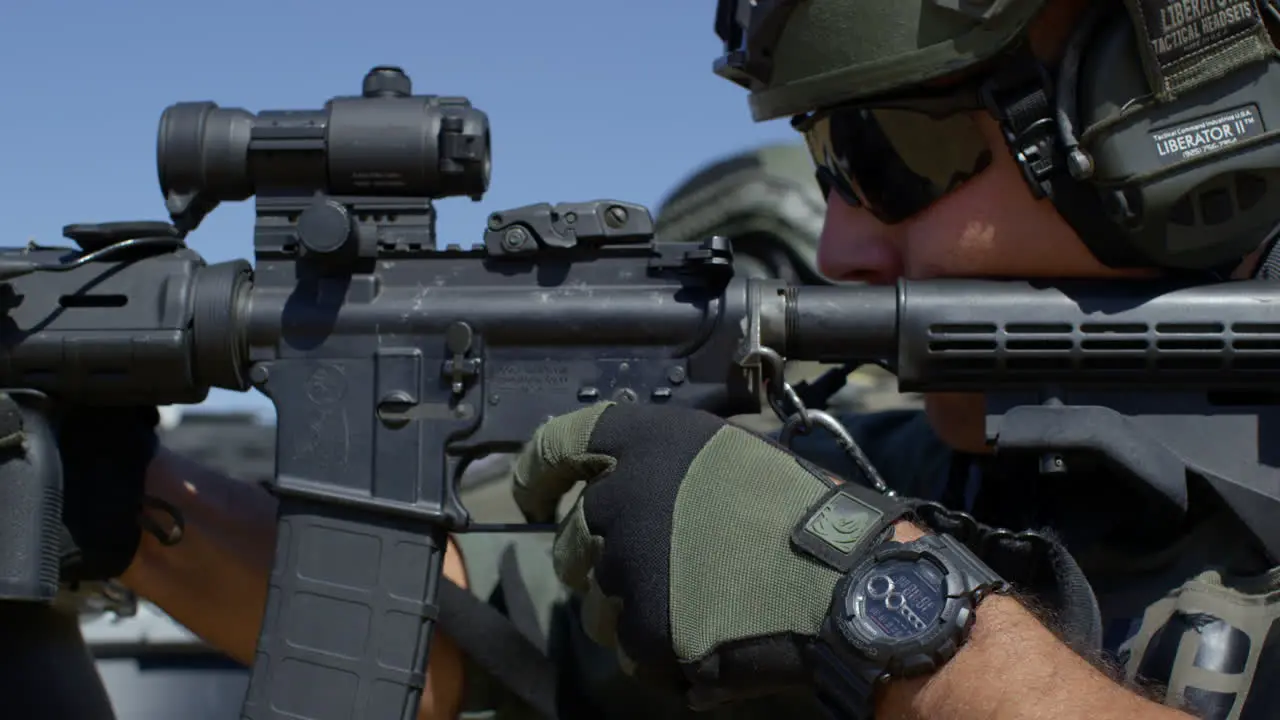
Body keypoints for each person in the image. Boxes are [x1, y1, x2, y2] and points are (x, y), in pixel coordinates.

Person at [39, 1, 1280, 719]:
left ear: (1152, 127)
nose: (841, 241)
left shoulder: (880, 533)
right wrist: (115, 499)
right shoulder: (935, 481)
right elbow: (436, 627)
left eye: (901, 150)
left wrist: (882, 612)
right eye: (827, 166)